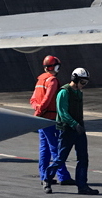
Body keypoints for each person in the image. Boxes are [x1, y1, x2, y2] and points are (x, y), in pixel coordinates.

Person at [43, 68, 99, 195]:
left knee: (83, 158)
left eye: (86, 83)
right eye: (82, 82)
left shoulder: (79, 92)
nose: (83, 85)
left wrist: (79, 126)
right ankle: (47, 178)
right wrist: (74, 124)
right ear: (75, 79)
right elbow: (63, 113)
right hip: (67, 130)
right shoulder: (64, 92)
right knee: (61, 158)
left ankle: (82, 186)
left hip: (79, 129)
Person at [29, 55, 73, 186]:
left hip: (41, 119)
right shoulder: (52, 81)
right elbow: (47, 100)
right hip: (50, 119)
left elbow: (33, 99)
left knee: (44, 149)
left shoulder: (40, 80)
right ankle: (63, 176)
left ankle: (44, 176)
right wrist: (41, 111)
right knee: (56, 148)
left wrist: (37, 112)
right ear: (55, 66)